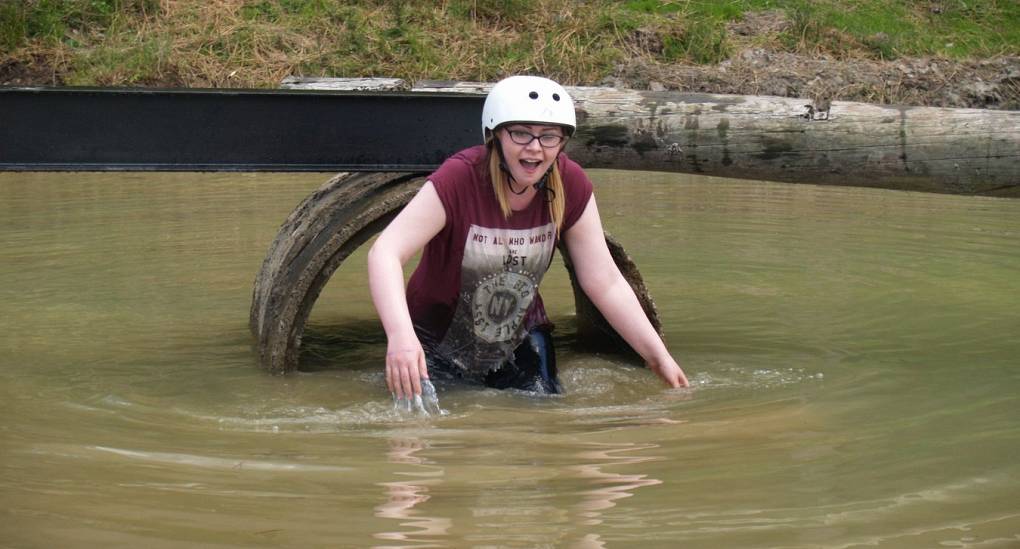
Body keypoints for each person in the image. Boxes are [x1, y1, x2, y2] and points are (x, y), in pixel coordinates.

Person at [368, 75, 688, 399]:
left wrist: (657, 356)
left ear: (562, 142)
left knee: (542, 414)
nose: (535, 148)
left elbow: (604, 280)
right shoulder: (460, 178)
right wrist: (400, 338)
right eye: (520, 133)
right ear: (494, 135)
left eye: (549, 136)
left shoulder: (570, 183)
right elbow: (385, 252)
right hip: (435, 337)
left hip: (518, 334)